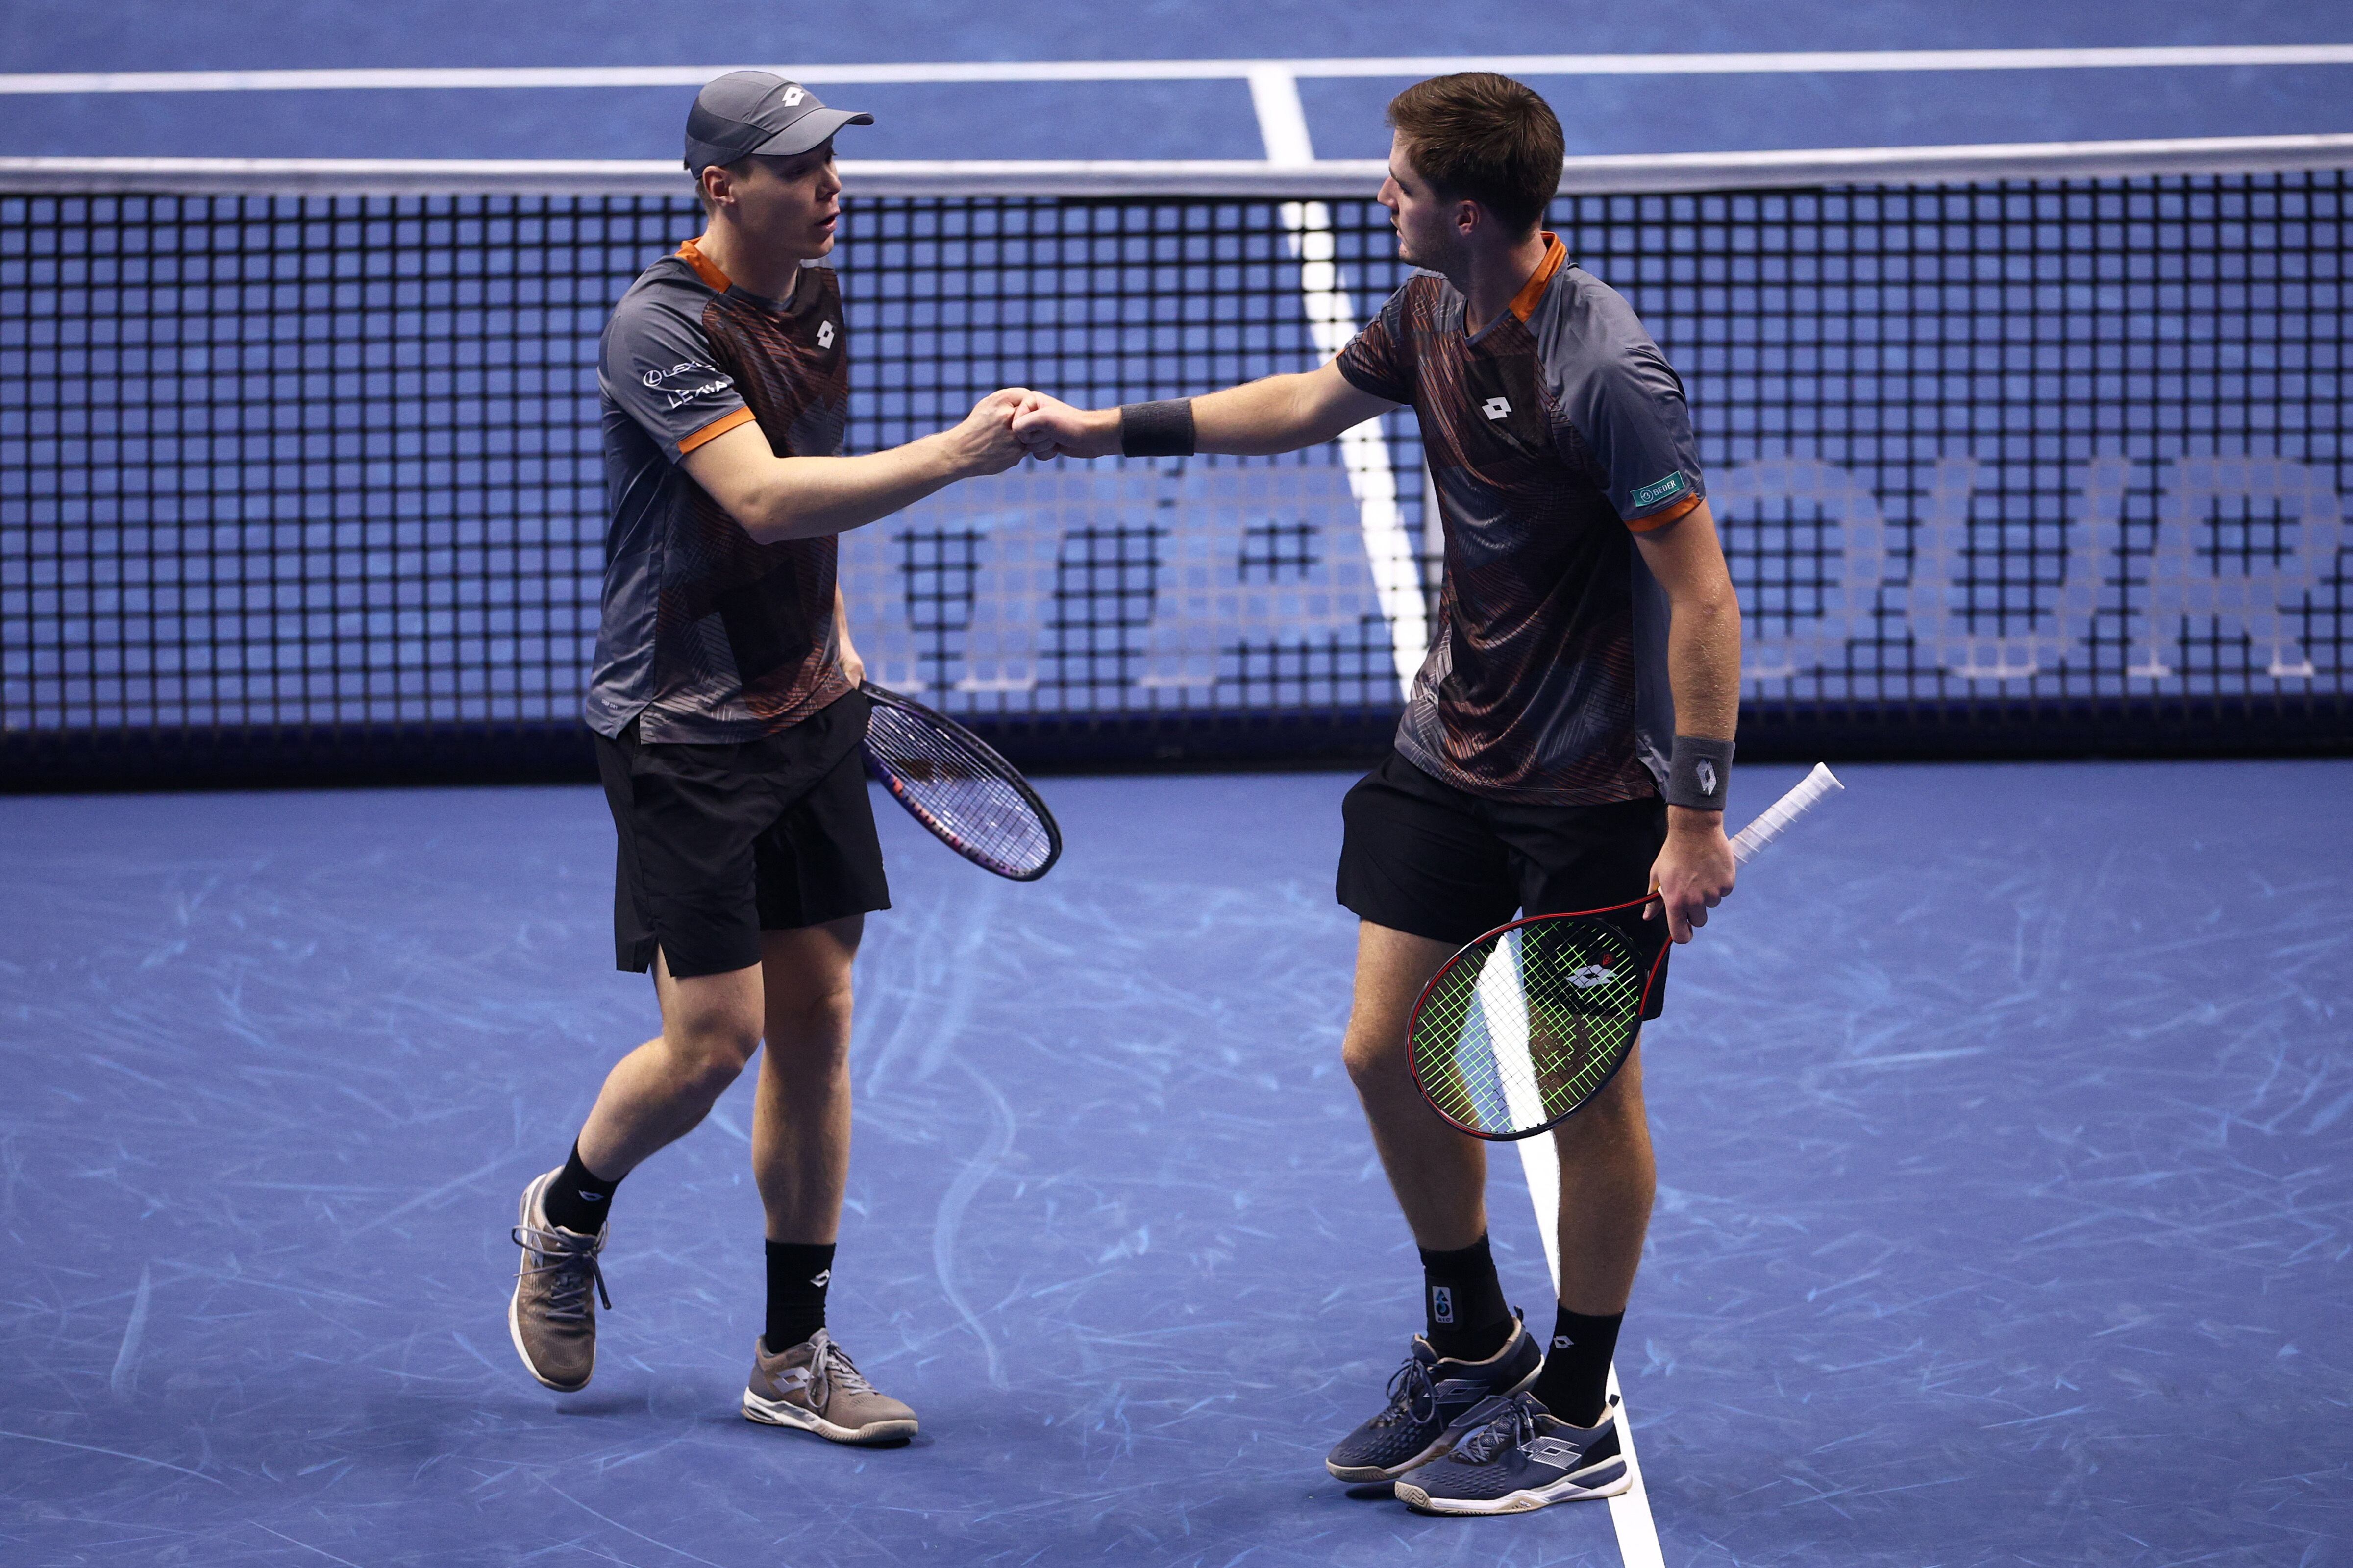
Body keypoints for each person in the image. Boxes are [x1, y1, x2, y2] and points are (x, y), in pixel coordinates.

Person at [1010, 73, 1740, 1514]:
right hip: (1446, 754)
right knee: (1380, 1050)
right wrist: (1104, 430)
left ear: (1462, 211)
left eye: (1395, 182)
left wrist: (1697, 817)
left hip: (1592, 793)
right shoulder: (1427, 310)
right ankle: (1471, 1337)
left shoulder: (1602, 374)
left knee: (1582, 1092)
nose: (1378, 196)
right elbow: (1303, 403)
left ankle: (1578, 1403)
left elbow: (1702, 598)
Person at [506, 70, 1030, 1445]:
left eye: (830, 161)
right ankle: (565, 1211)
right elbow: (755, 490)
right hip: (679, 729)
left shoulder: (816, 289)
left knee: (818, 1023)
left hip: (807, 712)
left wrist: (839, 638)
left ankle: (790, 1355)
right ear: (720, 186)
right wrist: (958, 453)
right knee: (713, 1042)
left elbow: (808, 506)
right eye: (796, 168)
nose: (829, 185)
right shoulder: (659, 326)